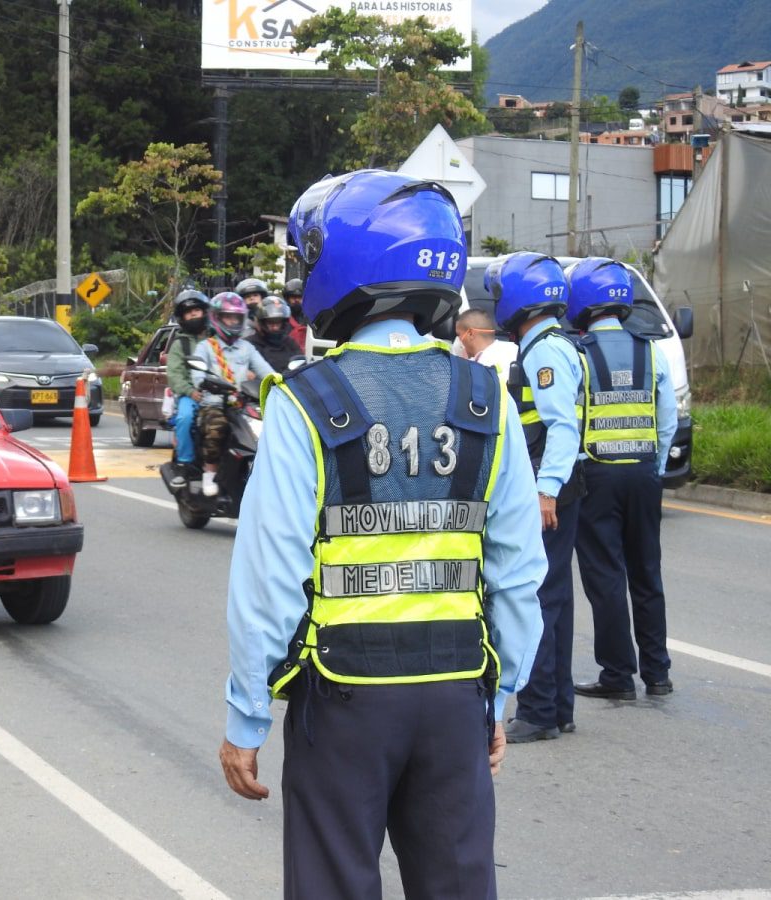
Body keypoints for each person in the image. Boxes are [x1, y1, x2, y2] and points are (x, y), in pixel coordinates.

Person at [219, 170, 546, 899]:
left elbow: (268, 580)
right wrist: (501, 699)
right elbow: (520, 572)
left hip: (344, 699)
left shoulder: (308, 402)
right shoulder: (485, 397)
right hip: (458, 691)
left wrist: (246, 716)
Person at [486, 252, 587, 743]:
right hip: (559, 486)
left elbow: (561, 428)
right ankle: (557, 707)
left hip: (549, 488)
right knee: (557, 599)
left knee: (538, 596)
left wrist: (546, 491)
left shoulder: (544, 350)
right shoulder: (551, 344)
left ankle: (540, 711)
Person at [568, 258, 677, 701]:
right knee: (647, 573)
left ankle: (617, 676)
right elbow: (666, 420)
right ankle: (658, 674)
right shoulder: (652, 351)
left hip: (597, 476)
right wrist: (656, 467)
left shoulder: (578, 354)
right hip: (645, 473)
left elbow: (570, 421)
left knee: (606, 576)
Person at [190, 292, 274, 497]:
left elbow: (267, 371)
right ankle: (209, 473)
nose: (233, 321)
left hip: (242, 405)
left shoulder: (247, 348)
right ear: (217, 318)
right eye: (228, 317)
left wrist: (282, 382)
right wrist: (206, 382)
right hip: (215, 404)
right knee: (216, 428)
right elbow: (197, 376)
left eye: (236, 318)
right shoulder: (207, 347)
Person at [166, 289, 212, 488]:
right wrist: (190, 392)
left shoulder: (216, 339)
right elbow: (174, 375)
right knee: (184, 418)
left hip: (220, 393)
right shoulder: (179, 344)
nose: (193, 314)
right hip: (191, 395)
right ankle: (185, 463)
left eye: (197, 310)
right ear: (182, 318)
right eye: (188, 312)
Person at [247, 295, 303, 373]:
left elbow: (301, 363)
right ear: (261, 322)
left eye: (278, 323)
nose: (275, 327)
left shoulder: (289, 342)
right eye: (270, 323)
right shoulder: (250, 345)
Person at [454, 307, 518, 374]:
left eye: (459, 335)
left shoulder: (483, 366)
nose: (458, 340)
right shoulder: (515, 350)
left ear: (470, 334)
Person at [282, 278, 308, 351]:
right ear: (287, 298)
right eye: (293, 297)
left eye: (299, 297)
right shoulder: (282, 318)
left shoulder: (311, 318)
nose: (296, 300)